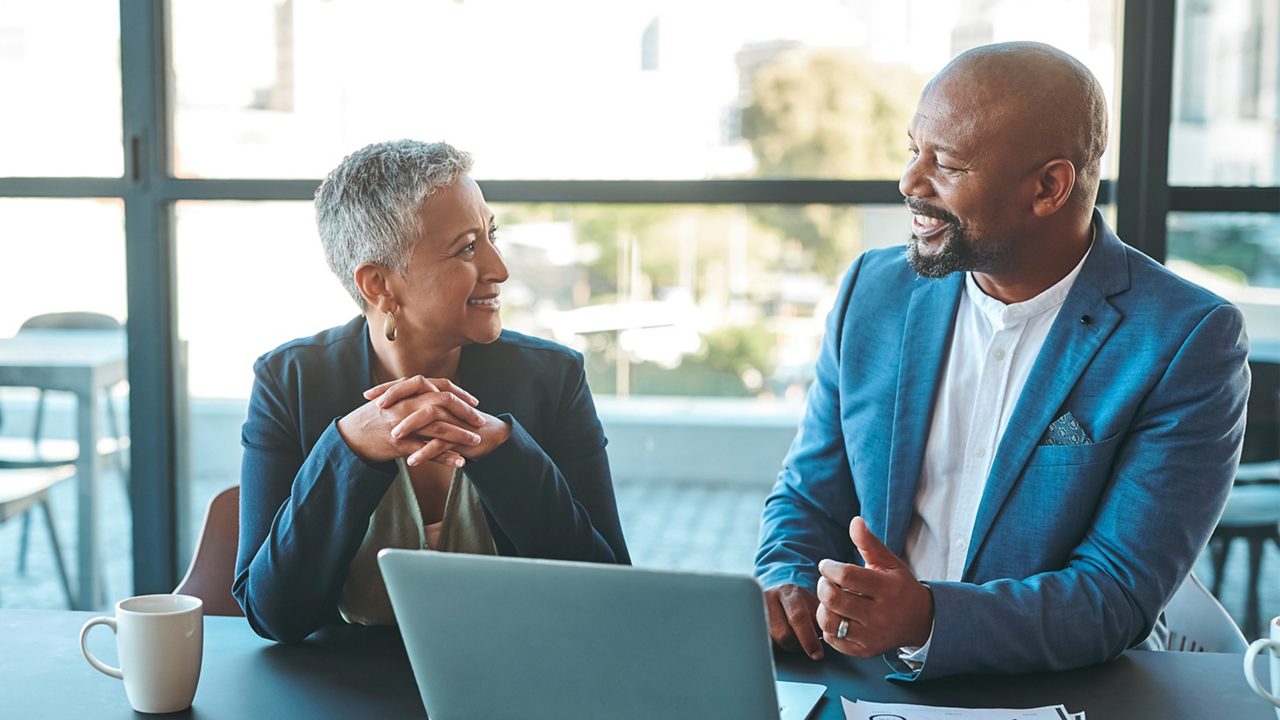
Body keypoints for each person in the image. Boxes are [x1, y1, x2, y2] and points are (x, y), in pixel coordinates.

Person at [754, 41, 1250, 680]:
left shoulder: (1186, 341)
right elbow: (808, 496)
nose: (910, 182)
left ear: (1049, 186)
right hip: (859, 677)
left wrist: (929, 619)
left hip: (1058, 693)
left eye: (948, 165)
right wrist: (787, 581)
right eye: (914, 151)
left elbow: (1116, 594)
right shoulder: (871, 293)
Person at [233, 140, 630, 643]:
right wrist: (347, 450)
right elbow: (273, 615)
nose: (499, 268)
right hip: (345, 694)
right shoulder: (288, 381)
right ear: (379, 286)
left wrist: (504, 451)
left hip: (522, 677)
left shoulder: (553, 378)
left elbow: (611, 590)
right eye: (467, 247)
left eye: (491, 235)